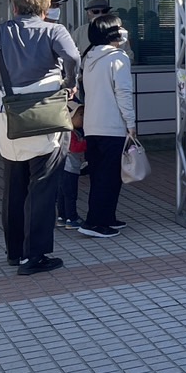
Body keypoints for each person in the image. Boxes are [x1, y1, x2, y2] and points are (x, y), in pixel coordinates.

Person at [0, 0, 79, 275]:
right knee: (42, 188)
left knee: (13, 187)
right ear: (45, 7)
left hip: (10, 118)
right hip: (47, 119)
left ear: (14, 6)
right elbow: (73, 57)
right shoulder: (55, 31)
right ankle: (33, 256)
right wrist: (70, 83)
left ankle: (14, 252)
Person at [79, 15, 135, 239]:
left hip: (92, 125)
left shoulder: (89, 57)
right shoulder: (118, 58)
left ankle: (107, 217)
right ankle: (95, 222)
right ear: (111, 32)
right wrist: (130, 124)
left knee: (100, 175)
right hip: (112, 125)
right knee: (108, 176)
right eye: (119, 27)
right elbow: (123, 93)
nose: (123, 30)